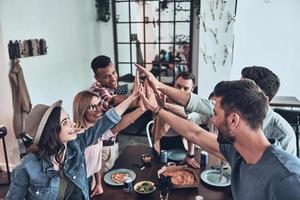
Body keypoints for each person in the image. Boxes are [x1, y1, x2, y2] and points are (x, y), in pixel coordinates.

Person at [141, 78, 300, 199]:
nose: (212, 120)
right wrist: (156, 109)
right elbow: (195, 133)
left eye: (215, 114)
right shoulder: (238, 151)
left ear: (233, 120)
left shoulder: (289, 179)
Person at [6, 87, 140, 199]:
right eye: (65, 123)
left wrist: (132, 97)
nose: (73, 124)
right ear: (52, 133)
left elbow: (106, 121)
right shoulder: (27, 167)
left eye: (68, 118)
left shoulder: (76, 145)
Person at [136, 64, 297, 155]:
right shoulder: (235, 147)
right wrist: (159, 93)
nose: (213, 118)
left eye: (242, 86)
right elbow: (195, 128)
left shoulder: (283, 136)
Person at [72, 74, 146, 196]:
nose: (99, 110)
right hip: (76, 185)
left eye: (99, 105)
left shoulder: (98, 134)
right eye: (92, 107)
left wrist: (141, 109)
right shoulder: (77, 136)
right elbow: (109, 119)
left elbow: (118, 126)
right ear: (81, 110)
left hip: (90, 180)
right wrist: (132, 97)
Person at [152, 72, 207, 168]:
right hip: (162, 141)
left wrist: (190, 155)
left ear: (192, 90)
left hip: (183, 142)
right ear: (174, 85)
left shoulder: (194, 103)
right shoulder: (163, 97)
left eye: (186, 88)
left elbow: (191, 121)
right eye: (178, 86)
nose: (181, 91)